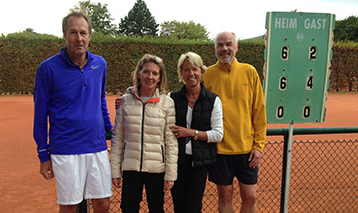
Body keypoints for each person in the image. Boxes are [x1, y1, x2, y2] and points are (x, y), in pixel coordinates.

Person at [33, 11, 113, 213]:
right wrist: (43, 155)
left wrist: (108, 130)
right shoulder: (47, 69)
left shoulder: (100, 64)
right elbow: (40, 115)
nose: (79, 38)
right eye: (73, 33)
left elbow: (100, 99)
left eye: (83, 33)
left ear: (90, 36)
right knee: (70, 207)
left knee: (103, 204)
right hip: (65, 149)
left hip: (96, 146)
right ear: (64, 35)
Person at [204, 32, 267, 213]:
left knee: (250, 196)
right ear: (215, 48)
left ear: (236, 46)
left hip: (247, 150)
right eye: (220, 45)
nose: (225, 48)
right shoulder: (207, 74)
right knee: (225, 196)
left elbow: (259, 112)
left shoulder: (250, 72)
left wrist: (259, 145)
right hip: (219, 150)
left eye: (229, 44)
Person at [110, 54, 178, 212]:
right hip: (131, 168)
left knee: (156, 208)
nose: (150, 77)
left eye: (155, 73)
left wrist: (170, 174)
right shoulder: (125, 101)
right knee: (128, 208)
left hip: (156, 169)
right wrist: (115, 170)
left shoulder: (167, 103)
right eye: (146, 72)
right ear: (139, 74)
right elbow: (118, 138)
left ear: (160, 78)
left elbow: (171, 141)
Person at [169, 52, 223, 213]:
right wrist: (130, 93)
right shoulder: (172, 97)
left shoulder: (213, 100)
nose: (191, 74)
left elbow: (218, 134)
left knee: (194, 206)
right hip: (177, 160)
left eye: (194, 69)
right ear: (181, 73)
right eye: (186, 70)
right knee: (179, 205)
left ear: (201, 71)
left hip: (199, 162)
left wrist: (191, 132)